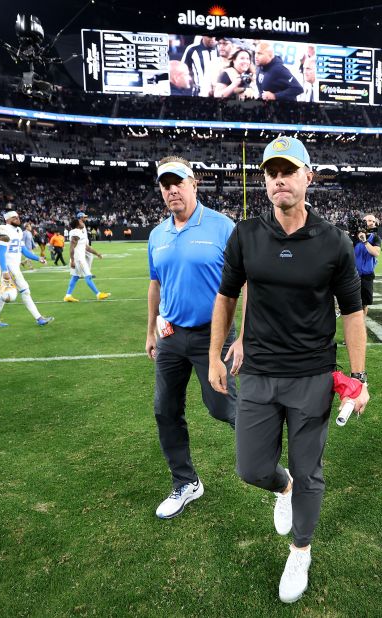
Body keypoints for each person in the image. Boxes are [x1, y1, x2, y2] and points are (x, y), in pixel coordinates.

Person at [207, 137, 369, 604]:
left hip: (312, 375)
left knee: (310, 469)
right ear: (265, 181)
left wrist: (358, 378)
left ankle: (301, 549)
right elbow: (227, 296)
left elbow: (354, 312)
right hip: (257, 370)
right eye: (271, 172)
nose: (280, 178)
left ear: (307, 177)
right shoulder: (246, 235)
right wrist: (217, 353)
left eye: (289, 170)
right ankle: (283, 488)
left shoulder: (334, 241)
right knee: (252, 467)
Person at [146, 156, 241, 520]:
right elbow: (155, 284)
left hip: (211, 336)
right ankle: (186, 482)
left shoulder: (222, 227)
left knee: (223, 408)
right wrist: (150, 330)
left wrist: (243, 336)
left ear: (194, 183)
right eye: (164, 184)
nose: (171, 190)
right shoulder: (157, 234)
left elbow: (244, 284)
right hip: (169, 335)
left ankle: (268, 459)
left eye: (177, 182)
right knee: (165, 409)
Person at [0, 210, 54, 328]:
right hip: (8, 267)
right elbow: (0, 253)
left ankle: (38, 318)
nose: (17, 219)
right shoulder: (3, 229)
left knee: (24, 291)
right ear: (7, 220)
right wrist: (4, 271)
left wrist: (38, 258)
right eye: (14, 218)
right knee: (11, 296)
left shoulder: (18, 231)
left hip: (15, 267)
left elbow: (23, 250)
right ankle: (38, 318)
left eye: (18, 217)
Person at [63, 217, 110, 302]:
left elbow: (86, 247)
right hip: (78, 259)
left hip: (78, 258)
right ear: (77, 224)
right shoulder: (76, 233)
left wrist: (97, 253)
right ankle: (98, 294)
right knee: (88, 276)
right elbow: (71, 248)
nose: (82, 222)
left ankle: (68, 295)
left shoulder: (79, 232)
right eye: (80, 221)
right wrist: (72, 260)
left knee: (75, 277)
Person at [354, 213, 382, 315]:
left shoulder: (375, 238)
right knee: (351, 302)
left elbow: (376, 253)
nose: (372, 223)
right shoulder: (354, 237)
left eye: (373, 221)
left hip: (366, 276)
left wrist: (365, 241)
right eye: (369, 220)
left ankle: (361, 323)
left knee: (364, 303)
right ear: (363, 222)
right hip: (353, 275)